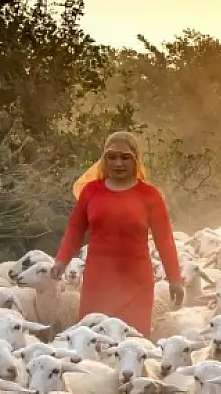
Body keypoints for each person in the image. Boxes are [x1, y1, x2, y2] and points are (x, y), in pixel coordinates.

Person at [54, 131, 183, 337]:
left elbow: (164, 239)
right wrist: (62, 259)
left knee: (132, 343)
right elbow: (75, 229)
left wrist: (174, 278)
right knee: (92, 340)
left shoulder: (150, 195)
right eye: (112, 157)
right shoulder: (91, 192)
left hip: (136, 283)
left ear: (136, 160)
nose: (118, 163)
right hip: (98, 281)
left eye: (125, 157)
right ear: (104, 160)